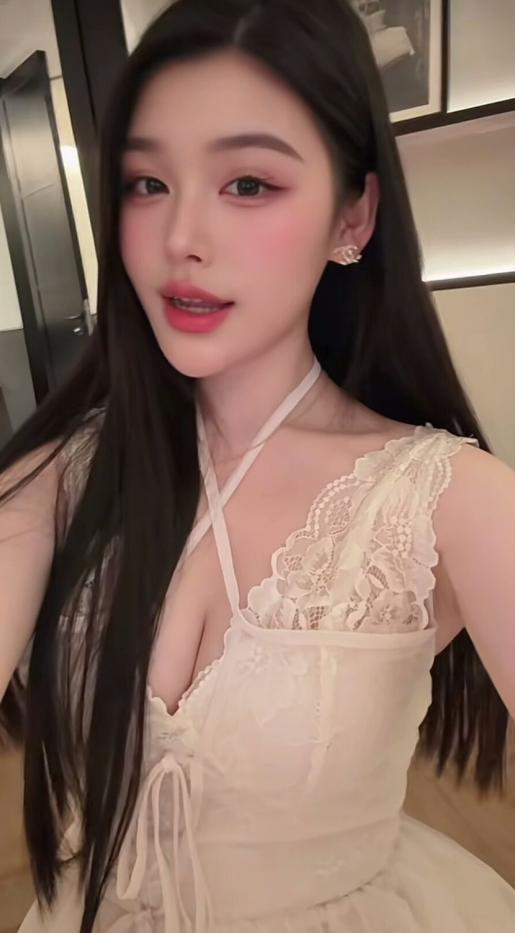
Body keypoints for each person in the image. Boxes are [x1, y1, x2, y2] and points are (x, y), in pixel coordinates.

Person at [1, 1, 514, 930]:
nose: (179, 237)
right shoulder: (57, 481)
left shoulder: (449, 499)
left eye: (247, 182)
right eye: (146, 183)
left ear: (352, 215)